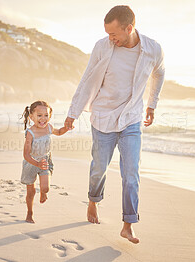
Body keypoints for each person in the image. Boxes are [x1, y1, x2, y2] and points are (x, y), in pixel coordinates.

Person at [64, 5, 165, 244]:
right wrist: (73, 113)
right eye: (108, 34)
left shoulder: (153, 49)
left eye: (114, 34)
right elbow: (87, 79)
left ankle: (128, 225)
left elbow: (159, 73)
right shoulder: (102, 46)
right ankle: (93, 200)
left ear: (129, 28)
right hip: (103, 116)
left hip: (131, 119)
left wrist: (152, 104)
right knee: (99, 167)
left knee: (131, 173)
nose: (111, 38)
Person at [21, 101, 69, 223]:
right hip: (31, 163)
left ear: (50, 116)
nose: (43, 119)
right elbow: (26, 154)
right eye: (39, 115)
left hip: (44, 160)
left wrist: (66, 128)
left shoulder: (49, 127)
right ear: (31, 116)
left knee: (45, 188)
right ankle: (29, 212)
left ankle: (43, 193)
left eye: (46, 115)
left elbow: (58, 132)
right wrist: (36, 163)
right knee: (31, 192)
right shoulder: (30, 133)